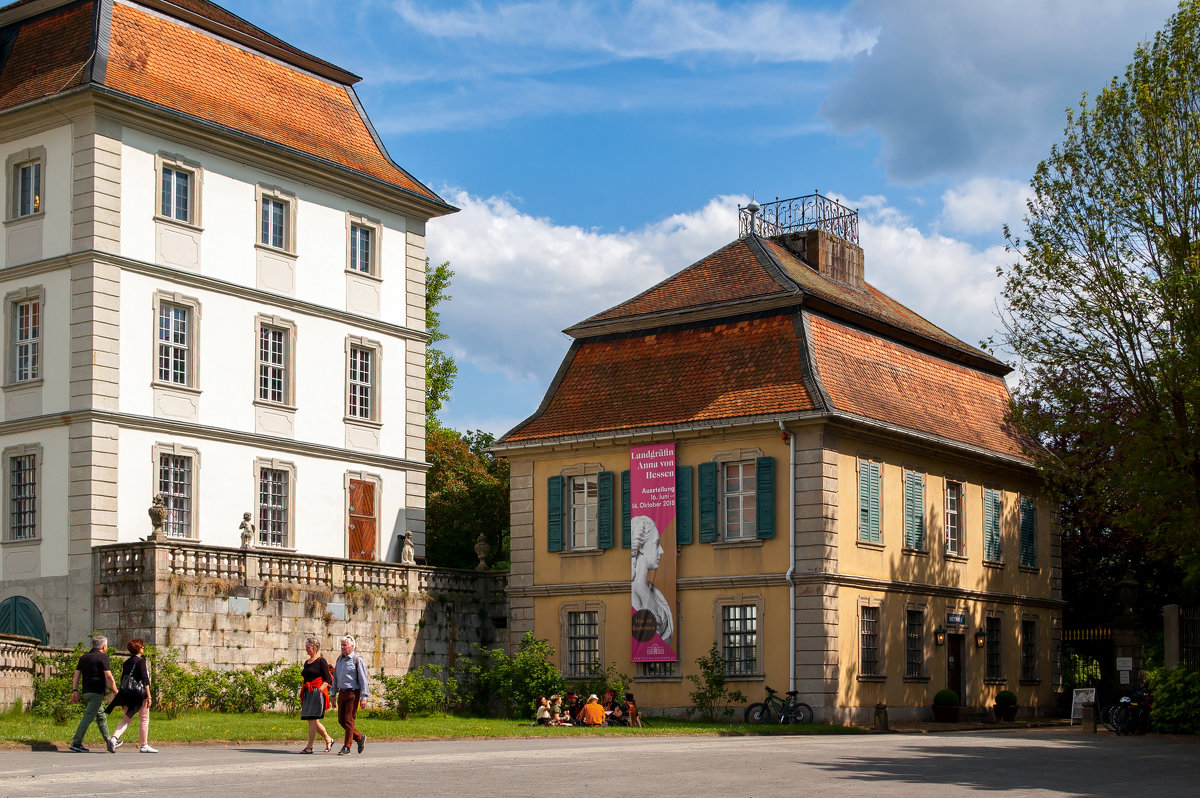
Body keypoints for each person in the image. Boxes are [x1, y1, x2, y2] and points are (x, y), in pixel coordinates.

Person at [105, 639, 156, 753]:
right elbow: (145, 680)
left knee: (126, 719)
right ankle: (144, 745)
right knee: (144, 718)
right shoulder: (141, 661)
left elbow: (123, 679)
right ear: (138, 649)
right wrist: (149, 696)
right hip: (139, 694)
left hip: (127, 694)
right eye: (142, 647)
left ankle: (113, 739)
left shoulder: (126, 662)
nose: (143, 648)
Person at [631, 516, 674, 646]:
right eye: (656, 544)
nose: (661, 551)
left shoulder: (655, 592)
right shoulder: (633, 593)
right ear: (642, 547)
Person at [69, 636, 117, 753]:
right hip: (97, 692)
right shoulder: (103, 657)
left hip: (86, 691)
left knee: (100, 716)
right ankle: (77, 742)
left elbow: (76, 675)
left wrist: (75, 691)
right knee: (89, 716)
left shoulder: (84, 657)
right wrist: (116, 691)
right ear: (104, 646)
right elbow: (108, 676)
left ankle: (109, 742)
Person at [331, 635, 370, 755]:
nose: (342, 647)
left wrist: (364, 697)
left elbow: (363, 679)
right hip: (342, 692)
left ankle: (347, 747)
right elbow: (336, 678)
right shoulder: (340, 660)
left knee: (349, 720)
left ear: (352, 646)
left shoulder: (357, 660)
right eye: (341, 645)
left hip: (353, 693)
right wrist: (333, 694)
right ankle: (359, 737)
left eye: (345, 645)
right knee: (341, 720)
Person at [298, 637, 334, 753]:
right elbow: (305, 678)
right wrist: (302, 694)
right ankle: (328, 739)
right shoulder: (307, 662)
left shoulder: (321, 661)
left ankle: (309, 746)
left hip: (316, 693)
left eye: (308, 647)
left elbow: (327, 678)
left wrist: (320, 690)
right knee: (313, 721)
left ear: (314, 648)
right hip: (308, 692)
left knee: (312, 720)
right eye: (306, 647)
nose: (306, 649)